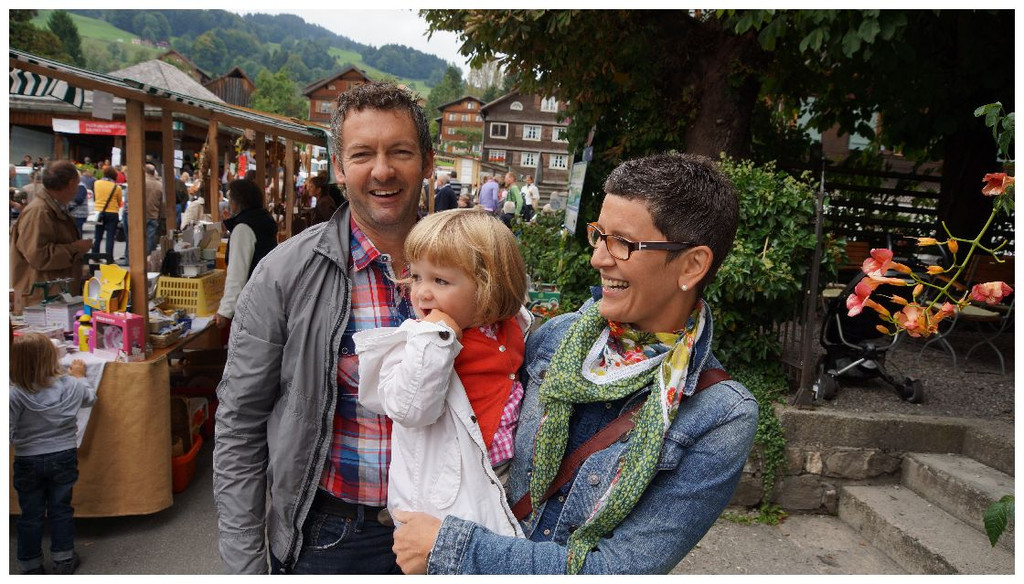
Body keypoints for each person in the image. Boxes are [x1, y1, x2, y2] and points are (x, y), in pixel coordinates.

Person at [391, 153, 759, 575]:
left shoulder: (720, 415)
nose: (598, 258)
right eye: (599, 236)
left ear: (692, 265)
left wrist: (449, 546)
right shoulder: (555, 337)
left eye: (622, 243)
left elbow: (617, 571)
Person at [213, 80, 434, 575]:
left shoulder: (472, 264)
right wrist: (246, 567)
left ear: (427, 161)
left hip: (450, 532)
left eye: (400, 151)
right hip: (334, 540)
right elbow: (240, 424)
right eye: (362, 154)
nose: (382, 170)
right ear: (338, 166)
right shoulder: (284, 274)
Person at [355, 211, 531, 538]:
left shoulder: (509, 328)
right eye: (416, 276)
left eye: (440, 281)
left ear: (488, 285)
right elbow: (408, 408)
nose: (421, 292)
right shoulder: (417, 342)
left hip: (501, 477)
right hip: (449, 499)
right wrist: (434, 339)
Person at [10, 333, 98, 575]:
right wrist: (80, 377)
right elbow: (90, 399)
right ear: (52, 358)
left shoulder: (14, 394)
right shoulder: (71, 385)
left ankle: (30, 565)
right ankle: (64, 558)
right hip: (63, 455)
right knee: (61, 508)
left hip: (27, 458)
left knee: (30, 513)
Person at [10, 161, 93, 313]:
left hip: (51, 294)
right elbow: (39, 256)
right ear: (71, 184)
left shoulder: (51, 207)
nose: (77, 189)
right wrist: (76, 248)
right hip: (41, 299)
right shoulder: (40, 212)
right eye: (77, 184)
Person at [214, 179, 277, 330]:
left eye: (230, 198)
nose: (229, 202)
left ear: (238, 202)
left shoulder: (243, 228)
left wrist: (225, 311)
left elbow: (237, 273)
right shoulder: (263, 219)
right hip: (267, 301)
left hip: (252, 307)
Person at [91, 166, 122, 258]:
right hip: (112, 212)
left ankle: (95, 256)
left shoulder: (96, 183)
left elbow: (95, 196)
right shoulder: (117, 187)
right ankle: (109, 257)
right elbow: (119, 201)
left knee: (98, 235)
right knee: (110, 236)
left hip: (99, 211)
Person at [144, 164, 164, 254]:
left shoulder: (142, 183)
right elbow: (162, 203)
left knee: (138, 238)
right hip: (154, 215)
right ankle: (147, 257)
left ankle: (136, 257)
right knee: (150, 239)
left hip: (142, 215)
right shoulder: (159, 185)